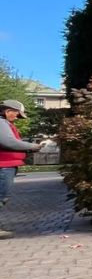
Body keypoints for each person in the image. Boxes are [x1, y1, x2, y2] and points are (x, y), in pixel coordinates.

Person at [0, 100, 44, 240]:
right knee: (1, 196)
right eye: (17, 115)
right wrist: (32, 146)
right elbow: (8, 142)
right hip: (3, 165)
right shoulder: (1, 123)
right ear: (8, 111)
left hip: (6, 164)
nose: (17, 119)